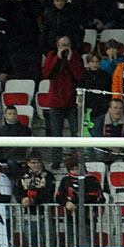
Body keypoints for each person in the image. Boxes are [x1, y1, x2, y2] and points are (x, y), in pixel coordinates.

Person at [42, 35, 85, 166]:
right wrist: (57, 58)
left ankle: (74, 159)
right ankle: (56, 159)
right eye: (62, 45)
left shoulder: (76, 56)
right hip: (56, 101)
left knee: (75, 133)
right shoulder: (52, 55)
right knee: (56, 134)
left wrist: (71, 60)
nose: (65, 47)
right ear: (57, 46)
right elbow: (46, 74)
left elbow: (80, 75)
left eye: (67, 45)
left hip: (72, 101)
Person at [55, 155, 105, 247]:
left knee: (88, 244)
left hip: (88, 218)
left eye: (77, 168)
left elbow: (100, 198)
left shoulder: (91, 179)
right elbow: (58, 197)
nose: (76, 171)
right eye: (72, 169)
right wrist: (66, 203)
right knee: (72, 243)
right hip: (71, 218)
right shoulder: (65, 180)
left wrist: (91, 209)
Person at [12, 151, 56, 247]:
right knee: (32, 245)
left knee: (50, 245)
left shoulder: (48, 176)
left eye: (38, 162)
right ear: (28, 163)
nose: (36, 165)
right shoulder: (21, 176)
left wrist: (33, 201)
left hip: (45, 216)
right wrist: (22, 199)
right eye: (33, 163)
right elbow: (17, 192)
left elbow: (49, 194)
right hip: (28, 216)